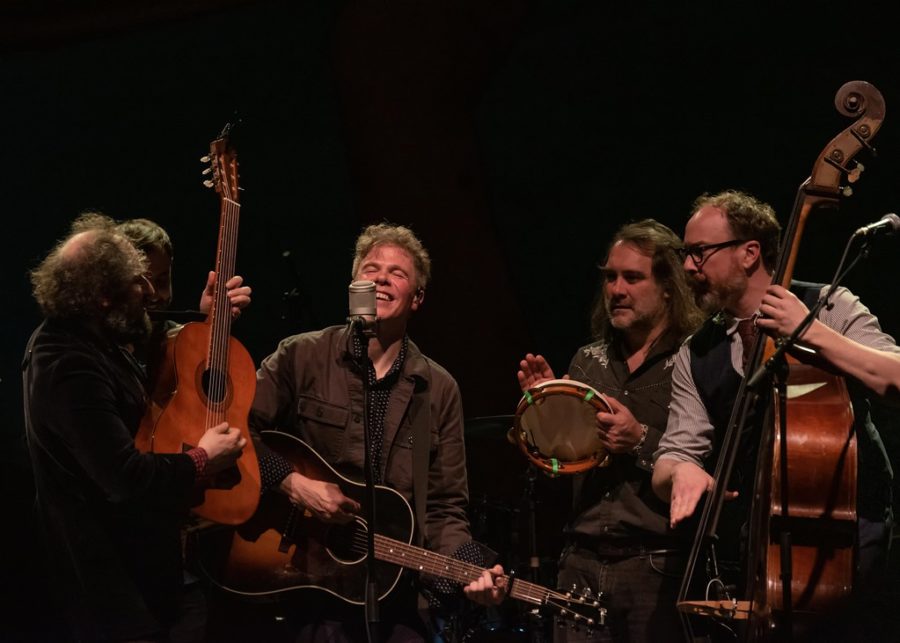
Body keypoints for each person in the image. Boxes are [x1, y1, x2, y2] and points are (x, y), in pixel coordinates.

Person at [651, 189, 900, 640]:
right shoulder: (698, 351)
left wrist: (812, 333)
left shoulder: (828, 304)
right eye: (686, 255)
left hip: (851, 534)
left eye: (699, 253)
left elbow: (896, 378)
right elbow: (672, 453)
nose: (688, 267)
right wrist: (680, 472)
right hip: (757, 543)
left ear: (749, 253)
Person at [245, 222, 504, 641]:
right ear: (354, 286)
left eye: (397, 273)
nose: (381, 277)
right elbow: (235, 433)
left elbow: (444, 508)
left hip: (395, 595)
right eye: (371, 269)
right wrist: (293, 484)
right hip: (303, 580)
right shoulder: (301, 355)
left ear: (417, 298)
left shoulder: (438, 389)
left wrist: (471, 567)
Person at [23, 220, 247, 642]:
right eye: (136, 283)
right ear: (103, 297)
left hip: (149, 575)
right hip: (116, 596)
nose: (149, 293)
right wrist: (202, 459)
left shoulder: (95, 337)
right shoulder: (66, 363)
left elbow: (150, 343)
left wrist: (206, 322)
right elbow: (123, 478)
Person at [516, 220, 704, 642]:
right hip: (580, 563)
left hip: (655, 566)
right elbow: (563, 468)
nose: (617, 289)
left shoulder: (695, 360)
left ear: (669, 286)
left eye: (633, 278)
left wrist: (639, 439)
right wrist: (547, 414)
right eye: (610, 277)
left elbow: (713, 462)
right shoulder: (590, 361)